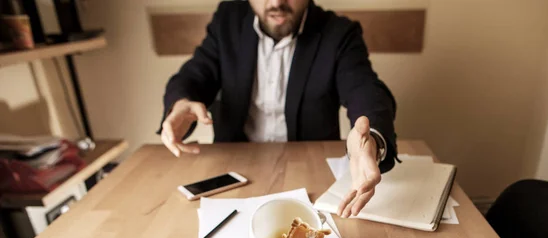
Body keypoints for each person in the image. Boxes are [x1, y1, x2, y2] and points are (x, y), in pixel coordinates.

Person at [158, 0, 397, 217]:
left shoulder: (339, 32)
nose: (276, 3)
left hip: (311, 180)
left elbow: (365, 89)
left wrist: (371, 139)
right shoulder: (227, 20)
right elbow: (194, 74)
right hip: (237, 173)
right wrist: (181, 103)